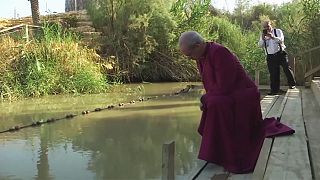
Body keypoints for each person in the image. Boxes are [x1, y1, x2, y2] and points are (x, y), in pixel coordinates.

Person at [178, 31, 294, 173]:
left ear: (197, 45)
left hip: (244, 94)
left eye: (189, 55)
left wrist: (205, 98)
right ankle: (218, 151)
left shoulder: (220, 52)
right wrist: (206, 98)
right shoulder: (201, 56)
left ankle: (228, 153)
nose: (189, 58)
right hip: (229, 93)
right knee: (212, 103)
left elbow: (224, 86)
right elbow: (211, 85)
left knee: (215, 104)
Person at [258, 21, 296, 95]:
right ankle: (275, 90)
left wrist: (272, 37)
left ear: (271, 25)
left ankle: (292, 84)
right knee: (273, 73)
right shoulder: (263, 34)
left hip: (280, 53)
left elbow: (281, 40)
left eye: (268, 26)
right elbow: (260, 45)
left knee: (286, 68)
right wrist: (263, 39)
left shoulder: (277, 31)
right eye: (265, 27)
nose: (267, 28)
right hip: (270, 56)